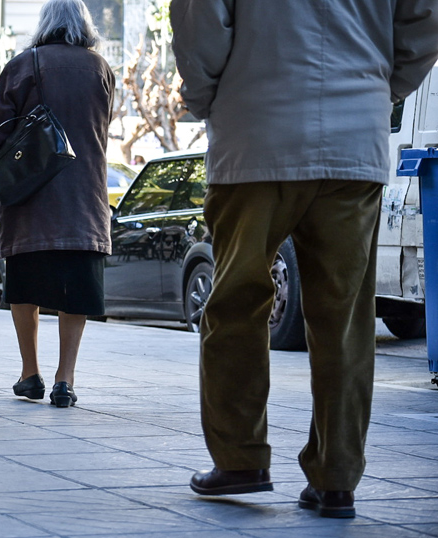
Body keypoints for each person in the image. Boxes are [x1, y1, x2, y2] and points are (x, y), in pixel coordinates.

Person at [170, 0, 438, 518]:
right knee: (344, 318)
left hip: (255, 133)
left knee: (236, 303)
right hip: (353, 143)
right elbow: (424, 20)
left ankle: (240, 458)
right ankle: (336, 477)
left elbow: (201, 20)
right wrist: (379, 88)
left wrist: (207, 98)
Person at [0, 0, 115, 408]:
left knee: (26, 288)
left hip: (30, 200)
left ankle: (30, 373)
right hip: (83, 199)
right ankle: (64, 380)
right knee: (77, 292)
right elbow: (102, 128)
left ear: (45, 24)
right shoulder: (102, 70)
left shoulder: (23, 65)